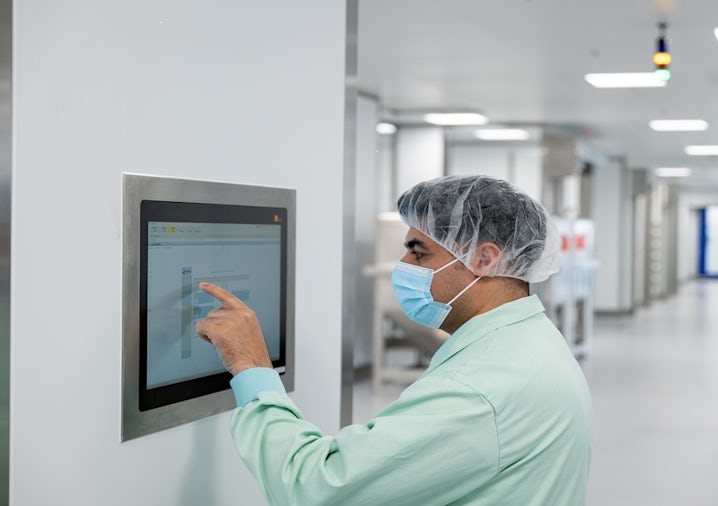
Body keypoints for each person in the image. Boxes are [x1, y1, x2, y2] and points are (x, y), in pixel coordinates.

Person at [195, 175, 594, 505]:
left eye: (419, 253)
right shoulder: (532, 340)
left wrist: (251, 366)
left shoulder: (479, 388)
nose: (403, 266)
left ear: (485, 259)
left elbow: (317, 488)